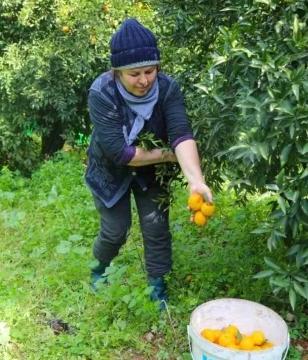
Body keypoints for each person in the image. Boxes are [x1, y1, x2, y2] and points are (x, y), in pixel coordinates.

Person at [84, 18, 213, 309]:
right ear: (117, 71)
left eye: (150, 70)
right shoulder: (102, 93)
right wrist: (169, 155)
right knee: (115, 230)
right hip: (110, 171)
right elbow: (121, 152)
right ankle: (99, 268)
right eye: (135, 73)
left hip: (152, 172)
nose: (144, 80)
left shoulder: (167, 89)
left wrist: (196, 180)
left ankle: (157, 287)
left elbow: (180, 132)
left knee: (156, 228)